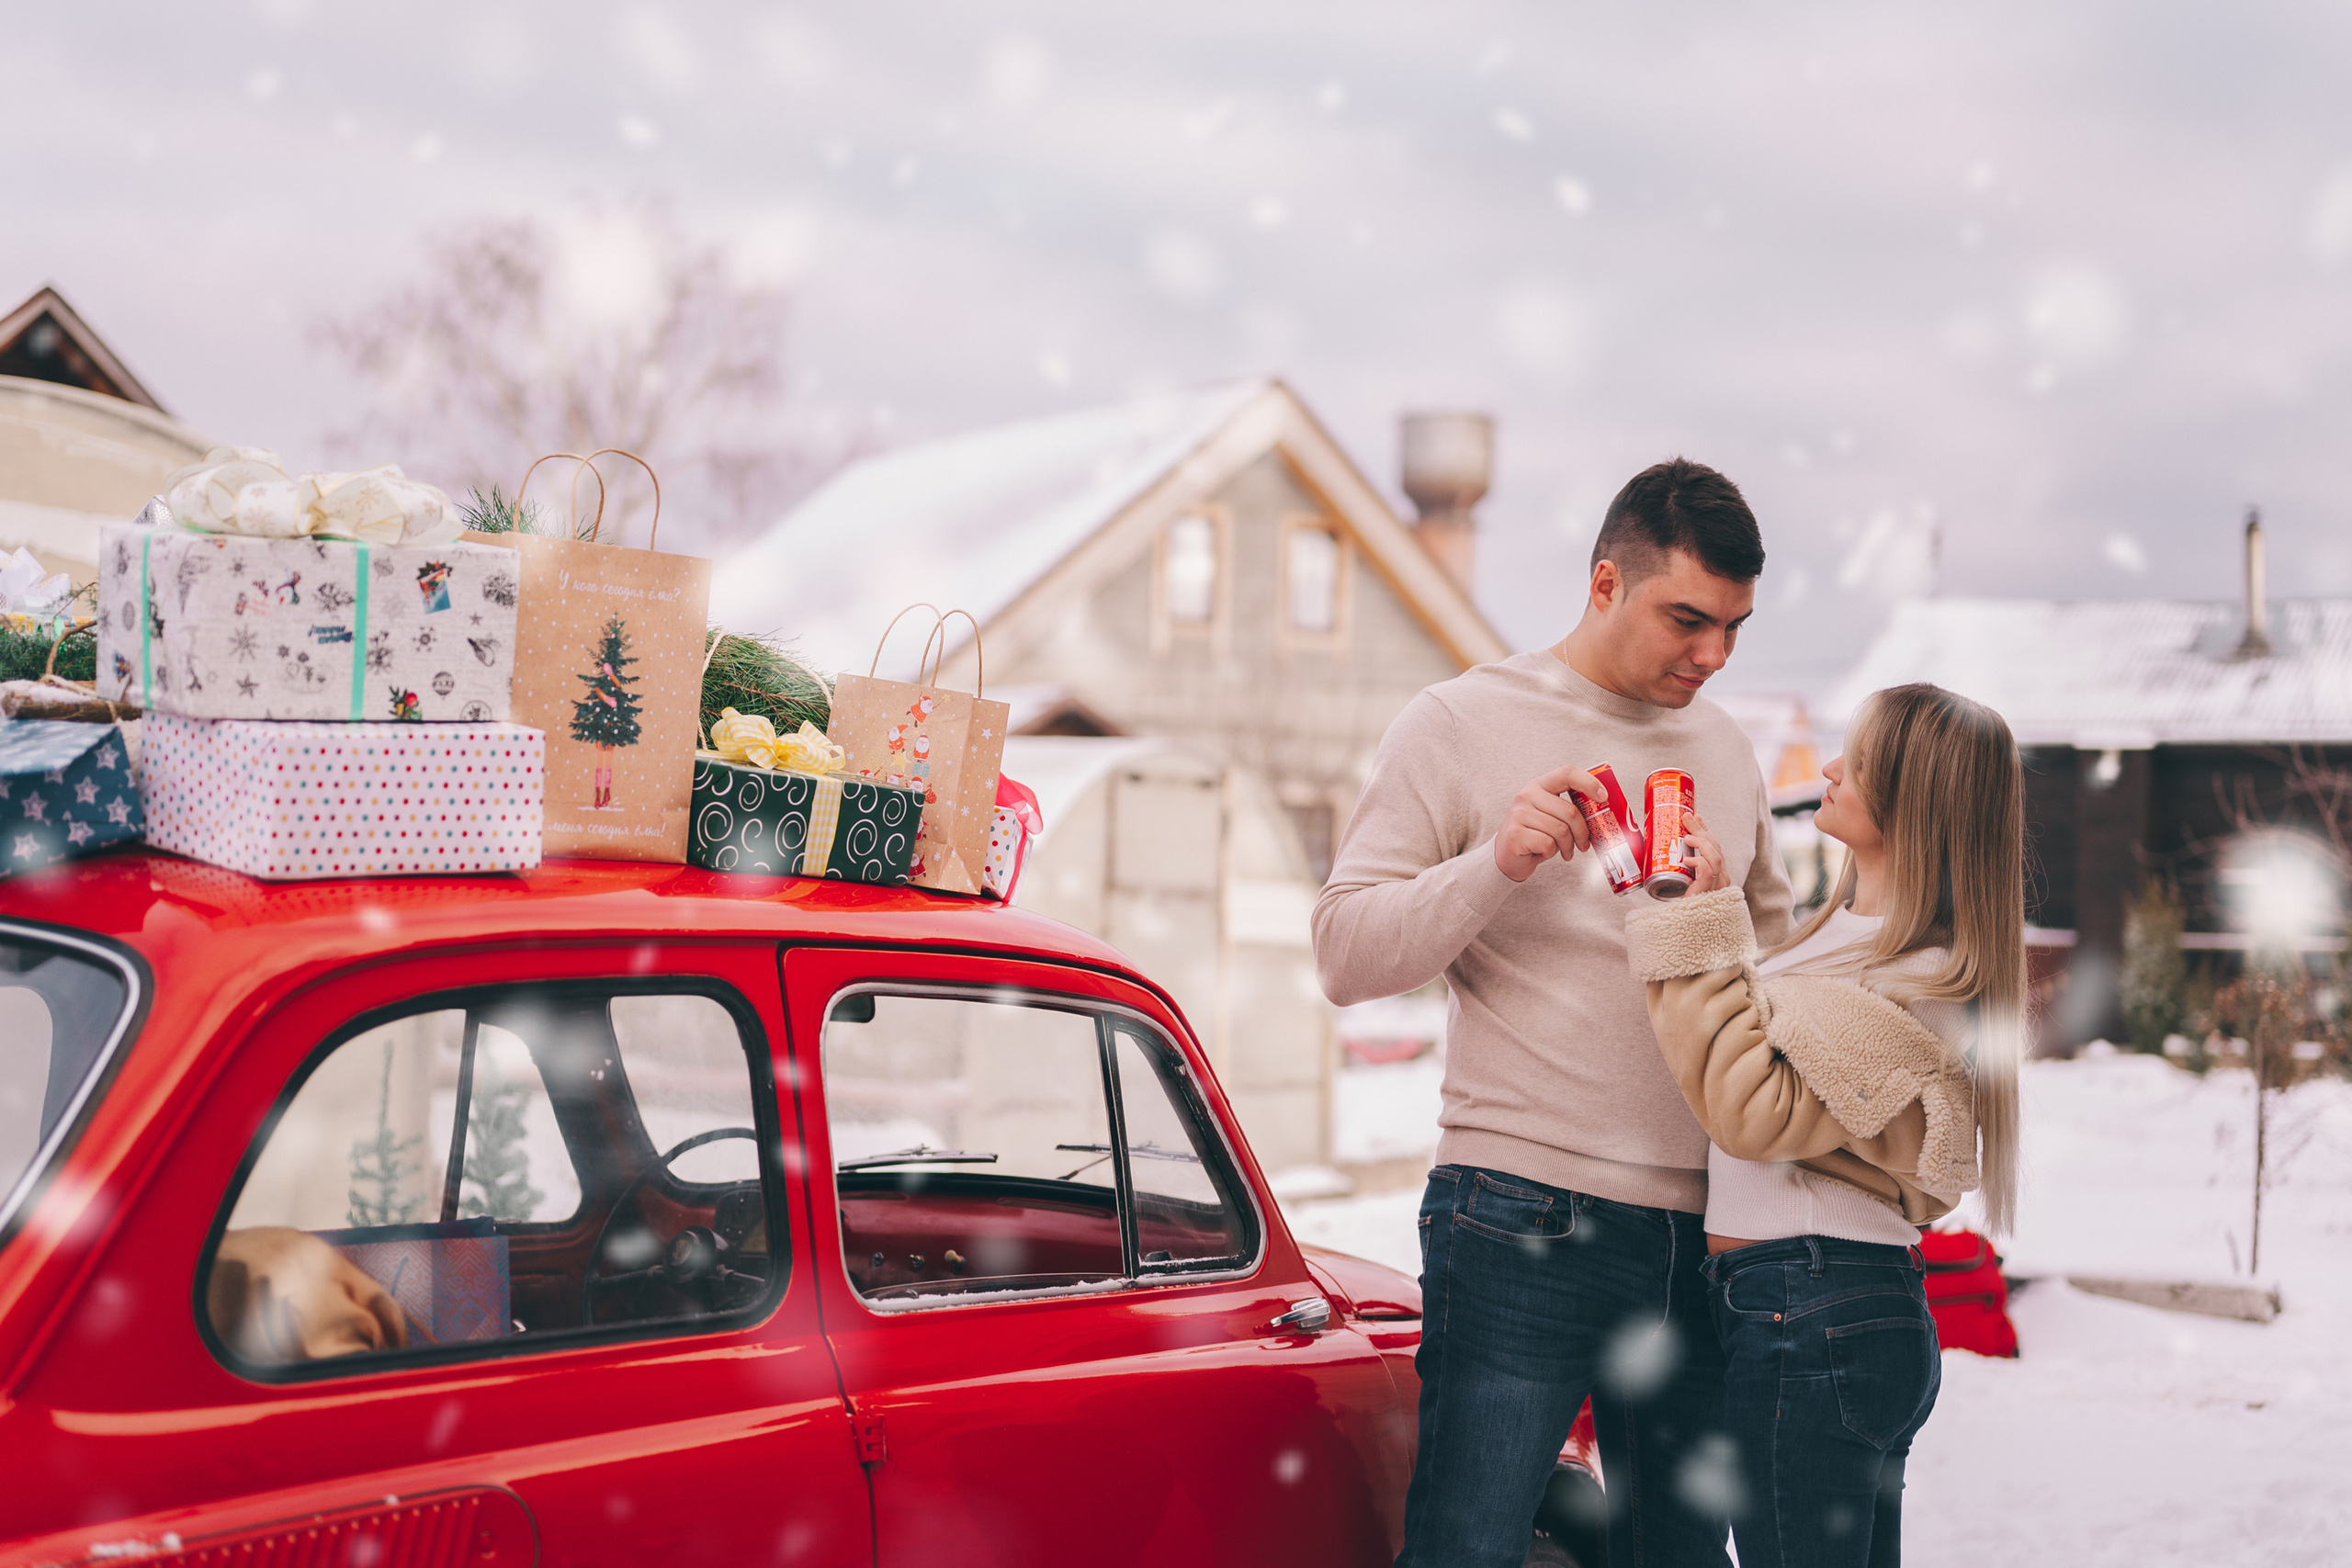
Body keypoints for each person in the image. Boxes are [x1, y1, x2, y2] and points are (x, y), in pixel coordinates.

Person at [1314, 457, 1792, 1568]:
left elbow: (1777, 990)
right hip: (1518, 1211)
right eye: (1686, 618)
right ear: (1602, 581)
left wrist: (1721, 911)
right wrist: (1496, 864)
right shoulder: (1459, 721)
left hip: (1699, 1234)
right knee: (1466, 1549)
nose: (1712, 656)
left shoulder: (1724, 749)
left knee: (1676, 1557)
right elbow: (1343, 952)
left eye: (1734, 627)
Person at [1621, 682, 2025, 1568]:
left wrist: (1693, 924)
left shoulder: (1920, 973)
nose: (1832, 767)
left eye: (1862, 757)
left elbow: (1750, 1108)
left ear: (1914, 797)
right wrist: (1718, 907)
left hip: (1813, 1305)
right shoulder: (1832, 941)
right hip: (1818, 1310)